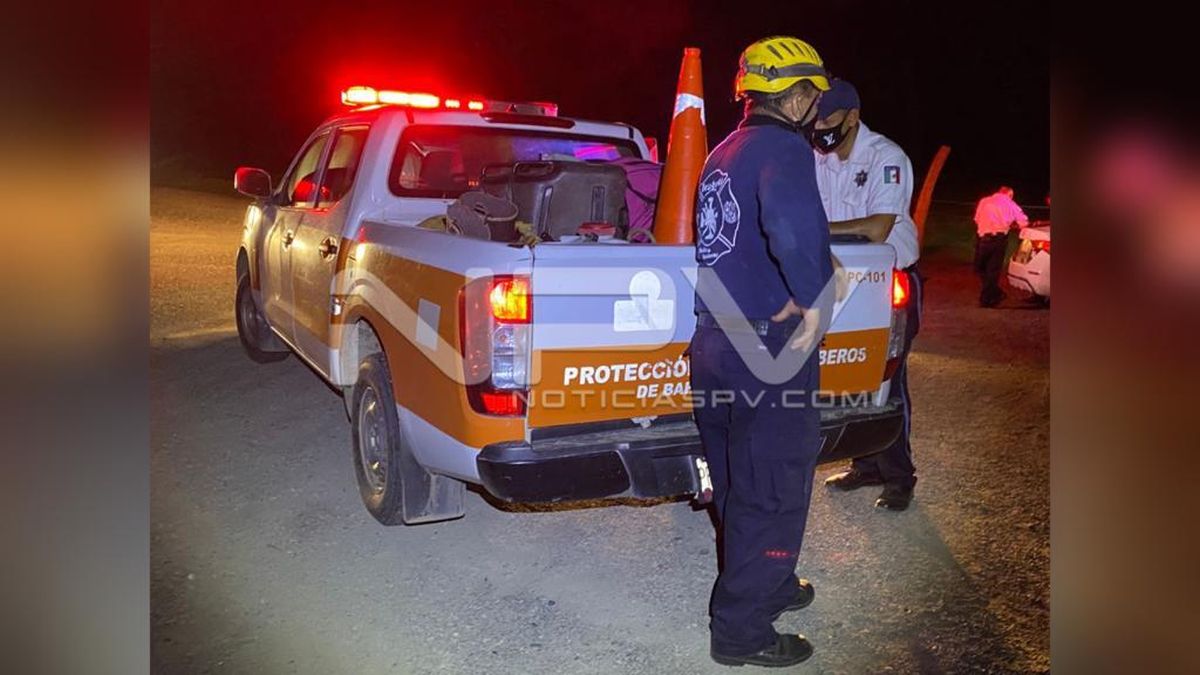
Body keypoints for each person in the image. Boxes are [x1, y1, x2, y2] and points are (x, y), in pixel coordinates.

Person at [689, 35, 834, 668]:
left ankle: (769, 583)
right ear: (795, 96)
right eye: (813, 96)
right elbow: (792, 231)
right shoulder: (784, 148)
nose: (816, 108)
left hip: (715, 342)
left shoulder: (723, 152)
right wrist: (814, 299)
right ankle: (742, 631)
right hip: (766, 348)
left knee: (737, 480)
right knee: (773, 486)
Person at [809, 79, 923, 511]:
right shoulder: (816, 157)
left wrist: (812, 231)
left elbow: (877, 228)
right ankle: (866, 464)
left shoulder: (885, 157)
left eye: (828, 119)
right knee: (850, 371)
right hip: (840, 278)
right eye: (815, 118)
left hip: (889, 279)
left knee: (887, 377)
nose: (820, 128)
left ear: (853, 117)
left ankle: (899, 476)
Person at [973, 186, 1029, 307]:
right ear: (1009, 194)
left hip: (983, 238)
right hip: (999, 239)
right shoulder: (1010, 204)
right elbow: (1023, 222)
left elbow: (977, 219)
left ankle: (990, 295)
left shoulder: (984, 201)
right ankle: (991, 296)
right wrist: (1010, 224)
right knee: (993, 269)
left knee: (980, 268)